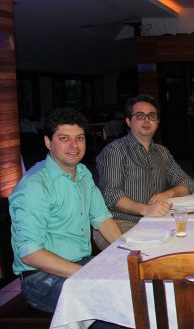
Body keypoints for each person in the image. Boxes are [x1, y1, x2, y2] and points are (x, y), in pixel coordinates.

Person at [9, 108, 122, 313]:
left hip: (80, 265)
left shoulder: (83, 173)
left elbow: (103, 219)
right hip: (41, 277)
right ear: (48, 142)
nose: (74, 145)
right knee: (113, 304)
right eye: (64, 138)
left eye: (79, 138)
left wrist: (130, 253)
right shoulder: (34, 186)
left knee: (139, 283)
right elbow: (30, 254)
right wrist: (87, 273)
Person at [95, 95, 194, 248]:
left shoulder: (161, 152)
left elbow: (187, 183)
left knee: (190, 240)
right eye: (140, 116)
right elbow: (112, 195)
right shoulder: (115, 151)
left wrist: (169, 193)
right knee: (154, 252)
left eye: (152, 116)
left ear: (157, 122)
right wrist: (146, 209)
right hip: (119, 223)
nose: (147, 120)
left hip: (155, 220)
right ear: (128, 121)